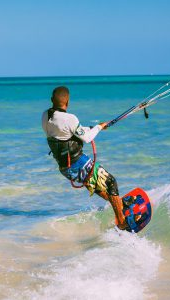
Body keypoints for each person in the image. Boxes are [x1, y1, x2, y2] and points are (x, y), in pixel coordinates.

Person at [42, 86, 127, 230]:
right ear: (67, 102)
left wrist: (92, 127)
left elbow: (68, 133)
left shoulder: (45, 116)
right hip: (77, 164)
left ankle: (120, 207)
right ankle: (121, 221)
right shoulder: (70, 118)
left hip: (65, 168)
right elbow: (86, 138)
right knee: (111, 182)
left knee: (98, 187)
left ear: (51, 100)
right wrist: (99, 127)